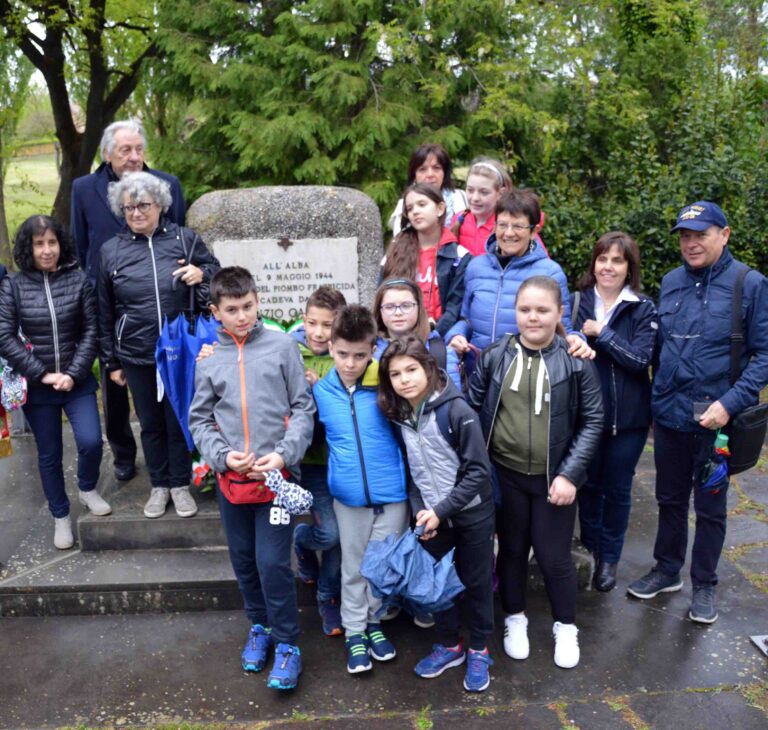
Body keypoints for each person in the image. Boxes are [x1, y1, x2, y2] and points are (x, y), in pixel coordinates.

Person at [627, 202, 768, 624]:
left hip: (716, 426)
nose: (690, 243)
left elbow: (764, 355)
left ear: (723, 235)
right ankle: (667, 570)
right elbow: (659, 347)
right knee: (668, 499)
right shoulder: (670, 282)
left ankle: (704, 584)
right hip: (669, 419)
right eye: (685, 236)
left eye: (700, 235)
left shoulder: (750, 283)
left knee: (710, 506)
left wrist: (729, 404)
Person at [466, 276, 603, 669]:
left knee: (553, 555)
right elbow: (472, 410)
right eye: (525, 309)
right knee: (510, 551)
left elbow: (593, 421)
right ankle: (515, 618)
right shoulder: (495, 355)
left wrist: (571, 474)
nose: (533, 318)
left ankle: (565, 626)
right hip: (505, 474)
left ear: (559, 313)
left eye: (543, 310)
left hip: (553, 480)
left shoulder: (576, 361)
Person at [189, 267, 315, 690]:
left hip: (275, 484)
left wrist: (283, 454)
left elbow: (302, 408)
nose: (241, 316)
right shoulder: (209, 361)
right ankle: (259, 626)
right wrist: (223, 457)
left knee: (272, 562)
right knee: (243, 560)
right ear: (215, 312)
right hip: (232, 483)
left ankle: (288, 645)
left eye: (247, 306)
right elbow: (200, 420)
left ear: (258, 301)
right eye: (231, 309)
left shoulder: (282, 347)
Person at [97, 171, 220, 520]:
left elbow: (217, 275)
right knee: (149, 422)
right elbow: (104, 309)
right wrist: (111, 362)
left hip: (180, 349)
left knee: (178, 416)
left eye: (143, 205)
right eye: (129, 207)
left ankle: (180, 485)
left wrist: (202, 274)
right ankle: (159, 485)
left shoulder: (185, 240)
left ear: (160, 205)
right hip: (136, 352)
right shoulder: (111, 251)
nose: (136, 213)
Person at [378, 336, 496, 693]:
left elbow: (478, 471)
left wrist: (440, 511)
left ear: (429, 368)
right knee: (440, 586)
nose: (405, 380)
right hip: (431, 516)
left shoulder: (457, 412)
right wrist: (420, 514)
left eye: (411, 369)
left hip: (471, 514)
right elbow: (414, 473)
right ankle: (449, 645)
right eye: (396, 374)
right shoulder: (401, 417)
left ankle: (478, 647)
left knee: (475, 584)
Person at [71, 119, 185, 483]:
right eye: (125, 150)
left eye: (139, 149)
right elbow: (82, 245)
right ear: (107, 154)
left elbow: (178, 239)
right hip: (111, 301)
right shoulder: (84, 189)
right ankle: (122, 453)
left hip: (159, 301)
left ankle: (173, 459)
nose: (134, 157)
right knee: (116, 384)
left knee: (168, 388)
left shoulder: (168, 184)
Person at [0, 216, 111, 549]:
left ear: (61, 244)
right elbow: (4, 336)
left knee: (91, 441)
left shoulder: (78, 281)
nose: (47, 250)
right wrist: (43, 374)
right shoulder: (13, 286)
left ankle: (87, 488)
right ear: (28, 248)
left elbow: (92, 330)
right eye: (39, 244)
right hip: (38, 388)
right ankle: (60, 516)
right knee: (49, 454)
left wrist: (73, 373)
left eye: (52, 242)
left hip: (76, 383)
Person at [312, 305, 409, 675]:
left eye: (359, 355)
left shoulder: (385, 385)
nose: (350, 363)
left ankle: (373, 623)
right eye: (342, 354)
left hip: (392, 494)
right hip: (349, 497)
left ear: (373, 350)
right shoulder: (321, 391)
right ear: (331, 346)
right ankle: (355, 631)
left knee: (381, 566)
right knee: (353, 567)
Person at [571, 232, 657, 592]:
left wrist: (601, 334)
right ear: (594, 263)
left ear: (629, 268)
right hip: (584, 418)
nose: (608, 266)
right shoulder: (577, 302)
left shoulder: (642, 307)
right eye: (603, 258)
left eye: (617, 260)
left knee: (618, 490)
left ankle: (609, 559)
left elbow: (640, 361)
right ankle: (590, 549)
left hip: (629, 420)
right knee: (587, 487)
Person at [446, 189, 590, 361]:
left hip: (524, 375)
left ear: (533, 231)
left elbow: (563, 330)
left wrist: (578, 340)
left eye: (518, 226)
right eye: (502, 225)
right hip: (477, 371)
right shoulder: (476, 267)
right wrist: (456, 335)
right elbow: (467, 319)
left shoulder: (550, 273)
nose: (508, 233)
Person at [290, 286, 347, 637]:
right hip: (312, 461)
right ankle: (302, 539)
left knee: (341, 539)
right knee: (328, 533)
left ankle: (328, 598)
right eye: (312, 322)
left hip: (344, 462)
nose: (319, 333)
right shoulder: (290, 352)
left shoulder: (345, 355)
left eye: (327, 325)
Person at [380, 183, 469, 336]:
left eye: (422, 204)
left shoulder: (459, 256)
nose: (415, 211)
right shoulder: (394, 251)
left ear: (440, 209)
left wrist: (431, 333)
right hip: (397, 336)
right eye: (410, 208)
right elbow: (380, 296)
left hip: (439, 336)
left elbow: (454, 309)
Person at [373, 278, 462, 391]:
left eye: (406, 306)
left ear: (419, 308)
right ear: (379, 310)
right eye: (389, 307)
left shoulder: (440, 352)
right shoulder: (369, 352)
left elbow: (453, 402)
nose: (398, 313)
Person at [387, 143, 468, 237]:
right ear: (414, 175)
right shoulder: (404, 206)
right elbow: (401, 245)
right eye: (422, 169)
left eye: (436, 168)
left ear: (444, 172)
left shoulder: (459, 198)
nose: (430, 174)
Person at [450, 158, 511, 256]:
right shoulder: (459, 220)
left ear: (500, 193)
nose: (475, 198)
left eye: (484, 192)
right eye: (470, 190)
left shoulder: (511, 225)